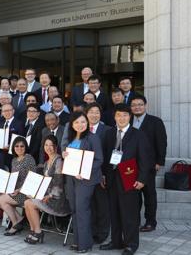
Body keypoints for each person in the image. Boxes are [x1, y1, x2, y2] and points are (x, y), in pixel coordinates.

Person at [100, 104, 152, 255]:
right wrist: (103, 174)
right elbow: (105, 157)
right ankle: (116, 241)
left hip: (130, 179)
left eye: (124, 115)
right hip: (111, 179)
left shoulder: (138, 134)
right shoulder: (109, 134)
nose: (121, 118)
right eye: (118, 115)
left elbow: (145, 159)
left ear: (129, 117)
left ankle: (131, 244)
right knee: (114, 212)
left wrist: (142, 179)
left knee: (129, 213)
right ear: (114, 117)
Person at [63, 112, 103, 253]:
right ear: (72, 125)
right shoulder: (71, 138)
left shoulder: (93, 138)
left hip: (85, 179)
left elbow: (99, 159)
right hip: (71, 178)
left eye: (83, 122)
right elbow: (69, 157)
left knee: (82, 210)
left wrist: (84, 171)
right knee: (74, 209)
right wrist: (64, 155)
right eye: (77, 122)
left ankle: (85, 244)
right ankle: (77, 241)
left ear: (87, 123)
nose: (80, 125)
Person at [24, 135, 70, 244]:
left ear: (56, 146)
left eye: (51, 145)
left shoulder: (59, 161)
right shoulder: (46, 162)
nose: (48, 147)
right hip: (47, 195)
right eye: (46, 145)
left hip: (57, 199)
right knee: (27, 202)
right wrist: (35, 193)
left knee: (30, 204)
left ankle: (38, 232)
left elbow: (59, 183)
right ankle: (33, 230)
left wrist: (50, 195)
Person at [131, 95, 167, 232]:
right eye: (134, 105)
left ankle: (151, 222)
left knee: (149, 194)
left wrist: (159, 161)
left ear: (145, 105)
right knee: (134, 194)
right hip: (131, 165)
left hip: (149, 165)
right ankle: (135, 221)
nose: (137, 107)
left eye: (140, 104)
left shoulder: (155, 122)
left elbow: (162, 142)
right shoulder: (128, 120)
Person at [0, 137, 36, 236]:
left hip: (26, 192)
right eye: (17, 146)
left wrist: (19, 190)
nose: (19, 148)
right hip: (15, 191)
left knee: (2, 200)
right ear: (13, 147)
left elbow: (32, 179)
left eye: (22, 146)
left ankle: (15, 224)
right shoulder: (14, 160)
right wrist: (6, 188)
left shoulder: (29, 158)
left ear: (25, 147)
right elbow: (13, 178)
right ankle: (19, 219)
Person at [85, 103, 112, 244]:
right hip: (84, 175)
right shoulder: (81, 129)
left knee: (101, 205)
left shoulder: (107, 130)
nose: (94, 115)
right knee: (90, 205)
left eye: (97, 112)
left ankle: (102, 233)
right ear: (86, 114)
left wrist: (104, 174)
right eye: (91, 112)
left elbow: (108, 155)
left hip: (100, 174)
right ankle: (92, 231)